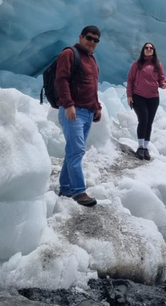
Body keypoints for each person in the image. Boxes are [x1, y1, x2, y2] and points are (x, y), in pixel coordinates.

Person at [55, 26, 102, 207]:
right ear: (81, 37)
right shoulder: (69, 53)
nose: (92, 42)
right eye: (89, 38)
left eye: (96, 40)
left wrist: (96, 107)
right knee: (77, 151)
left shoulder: (91, 60)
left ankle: (66, 187)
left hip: (87, 111)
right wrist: (68, 104)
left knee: (73, 151)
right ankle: (79, 191)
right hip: (73, 111)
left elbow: (92, 85)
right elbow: (61, 79)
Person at [126, 42, 166, 160]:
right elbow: (130, 80)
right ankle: (139, 147)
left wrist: (163, 84)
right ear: (143, 50)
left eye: (151, 48)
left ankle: (145, 148)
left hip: (153, 98)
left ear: (153, 51)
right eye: (146, 48)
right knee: (143, 120)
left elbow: (161, 79)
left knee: (149, 123)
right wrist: (129, 96)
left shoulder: (158, 65)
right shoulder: (137, 64)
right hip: (139, 96)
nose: (148, 49)